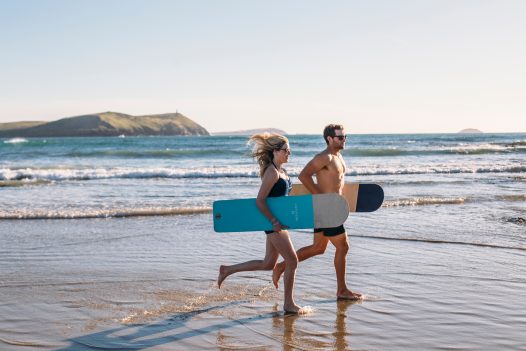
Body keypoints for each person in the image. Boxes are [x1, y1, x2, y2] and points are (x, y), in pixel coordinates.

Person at [272, 124, 362, 300]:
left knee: (318, 248)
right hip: (327, 209)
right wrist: (321, 197)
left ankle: (281, 267)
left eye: (345, 137)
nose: (344, 140)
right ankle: (342, 290)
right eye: (340, 137)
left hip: (330, 208)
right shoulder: (324, 157)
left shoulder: (338, 157)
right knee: (343, 246)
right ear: (329, 139)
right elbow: (304, 175)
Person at [217, 133, 303, 314]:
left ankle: (227, 270)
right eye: (286, 150)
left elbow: (283, 199)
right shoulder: (271, 172)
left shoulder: (283, 172)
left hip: (278, 223)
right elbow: (260, 200)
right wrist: (273, 221)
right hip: (272, 223)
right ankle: (288, 304)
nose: (289, 153)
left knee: (268, 264)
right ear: (275, 151)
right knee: (292, 261)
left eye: (290, 150)